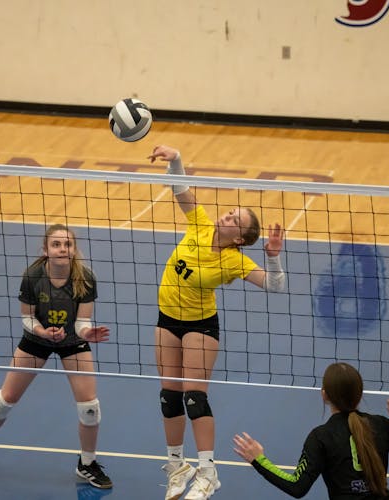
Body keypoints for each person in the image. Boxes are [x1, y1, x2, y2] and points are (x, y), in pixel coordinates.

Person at [148, 145, 288, 500]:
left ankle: (208, 473)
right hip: (167, 319)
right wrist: (175, 157)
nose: (225, 217)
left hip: (200, 327)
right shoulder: (200, 224)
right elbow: (180, 189)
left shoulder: (235, 262)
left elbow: (274, 286)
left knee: (195, 398)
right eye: (228, 212)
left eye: (234, 220)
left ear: (239, 238)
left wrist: (271, 258)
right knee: (169, 397)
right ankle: (177, 467)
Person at [0, 224, 113, 489]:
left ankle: (87, 463)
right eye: (57, 244)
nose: (63, 249)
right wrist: (42, 331)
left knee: (90, 408)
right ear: (46, 250)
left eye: (68, 244)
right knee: (3, 401)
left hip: (72, 341)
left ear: (74, 249)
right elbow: (26, 316)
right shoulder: (33, 276)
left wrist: (87, 332)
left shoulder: (85, 277)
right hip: (37, 338)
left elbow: (82, 320)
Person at [233, 362, 389, 499]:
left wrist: (259, 459)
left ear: (324, 395)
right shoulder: (382, 425)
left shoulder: (321, 437)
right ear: (360, 393)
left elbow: (297, 486)